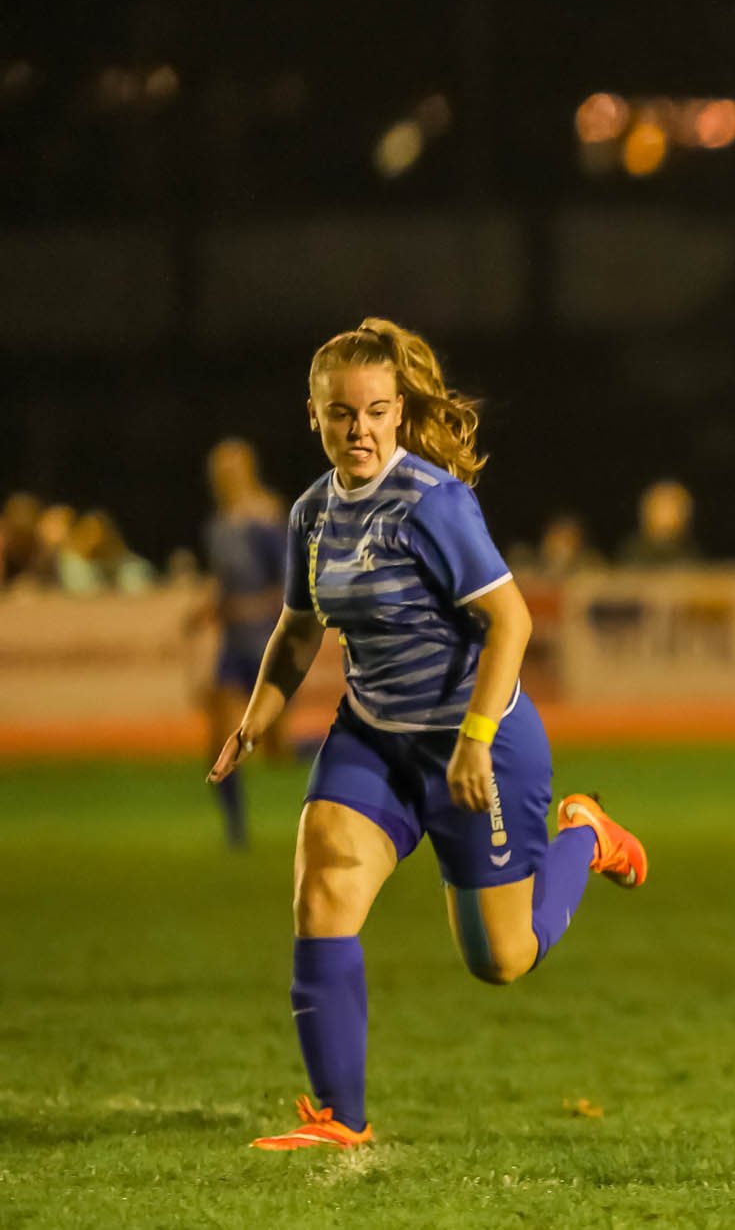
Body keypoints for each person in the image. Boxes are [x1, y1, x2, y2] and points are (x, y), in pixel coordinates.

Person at [208, 318, 648, 1151]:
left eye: (377, 412)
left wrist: (475, 739)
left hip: (479, 745)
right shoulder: (311, 513)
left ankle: (587, 835)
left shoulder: (432, 503)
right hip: (373, 736)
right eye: (343, 413)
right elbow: (298, 627)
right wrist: (259, 712)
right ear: (314, 414)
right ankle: (342, 1115)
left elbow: (511, 621)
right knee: (323, 885)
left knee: (502, 958)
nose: (361, 429)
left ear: (399, 413)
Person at [194, 438, 290, 849]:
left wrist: (246, 609)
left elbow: (288, 588)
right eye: (218, 472)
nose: (223, 478)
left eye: (230, 470)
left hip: (267, 645)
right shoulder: (217, 525)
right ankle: (236, 832)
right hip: (233, 649)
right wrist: (206, 611)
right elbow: (226, 587)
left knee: (278, 750)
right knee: (220, 739)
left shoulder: (267, 519)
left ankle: (346, 751)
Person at [618, 479, 698, 567]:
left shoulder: (692, 556)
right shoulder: (630, 555)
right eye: (662, 508)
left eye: (674, 509)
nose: (668, 515)